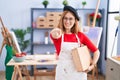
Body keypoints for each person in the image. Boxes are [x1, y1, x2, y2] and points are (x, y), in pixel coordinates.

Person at [50, 6, 100, 80]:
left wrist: (92, 66)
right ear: (62, 19)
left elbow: (96, 51)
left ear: (75, 21)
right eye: (65, 18)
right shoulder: (58, 36)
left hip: (78, 74)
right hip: (63, 74)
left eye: (70, 19)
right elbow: (53, 34)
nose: (67, 21)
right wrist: (55, 32)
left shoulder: (80, 36)